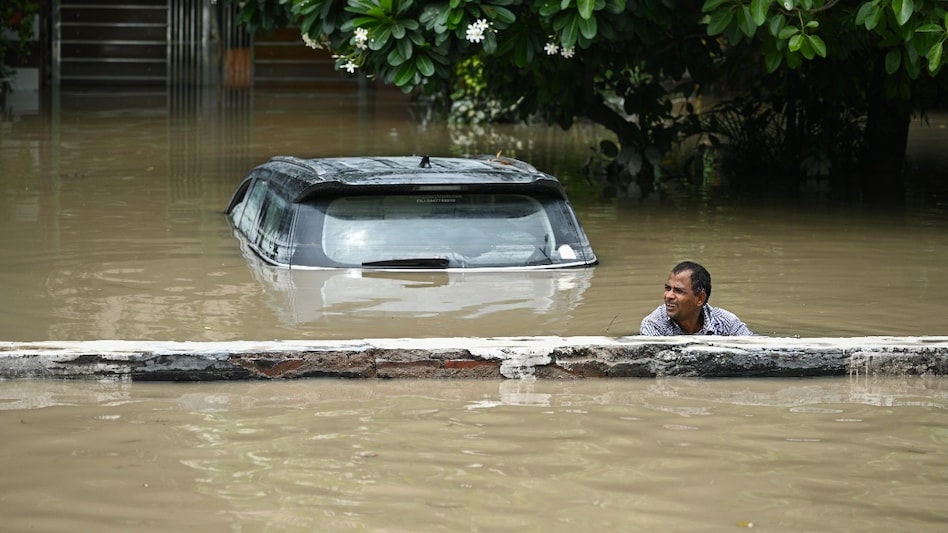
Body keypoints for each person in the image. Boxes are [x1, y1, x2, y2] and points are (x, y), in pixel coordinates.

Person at [640, 261, 753, 336]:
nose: (669, 296)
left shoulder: (726, 322)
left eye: (678, 291)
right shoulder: (654, 325)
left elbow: (754, 350)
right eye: (667, 288)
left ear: (700, 298)